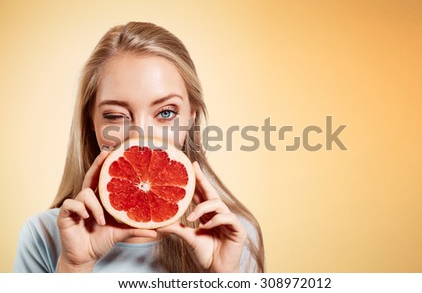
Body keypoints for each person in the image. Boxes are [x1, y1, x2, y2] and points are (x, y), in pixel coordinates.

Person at [13, 22, 265, 273]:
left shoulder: (234, 236)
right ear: (91, 122)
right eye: (115, 115)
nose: (141, 137)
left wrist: (222, 279)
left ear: (191, 116)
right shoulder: (43, 236)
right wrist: (75, 267)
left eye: (166, 112)